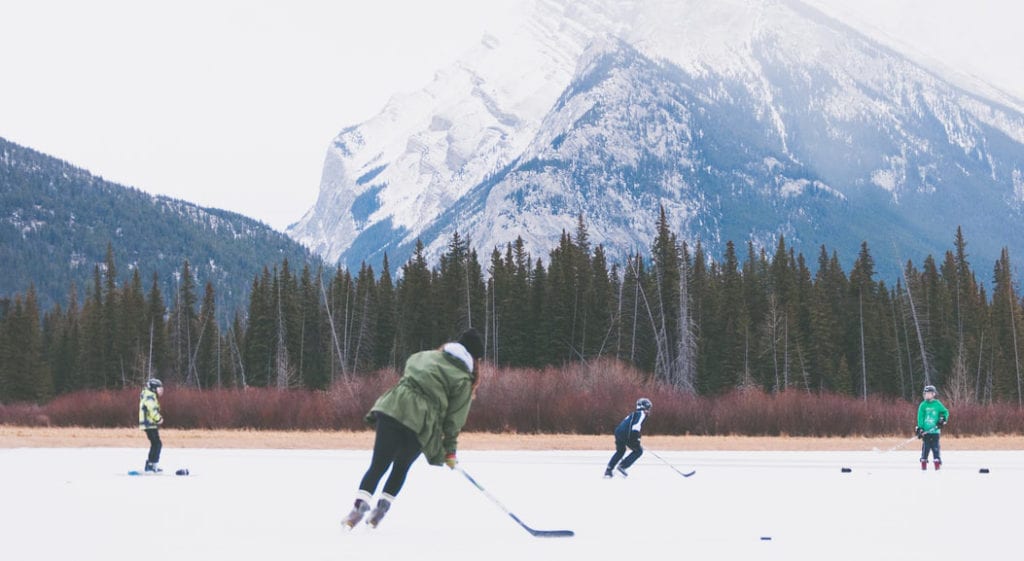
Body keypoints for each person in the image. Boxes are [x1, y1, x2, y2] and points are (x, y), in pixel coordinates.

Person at [342, 328, 486, 529]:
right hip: (422, 423)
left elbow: (410, 366)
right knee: (401, 466)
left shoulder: (425, 356)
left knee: (378, 465)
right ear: (474, 359)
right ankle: (380, 510)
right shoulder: (463, 380)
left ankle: (357, 510)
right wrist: (450, 452)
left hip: (394, 409)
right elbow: (454, 421)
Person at [604, 397, 652, 478]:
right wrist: (635, 440)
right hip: (626, 434)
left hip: (618, 432)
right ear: (644, 407)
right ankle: (622, 466)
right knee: (639, 451)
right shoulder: (641, 414)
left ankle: (608, 470)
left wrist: (637, 438)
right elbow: (636, 427)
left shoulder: (634, 414)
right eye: (648, 408)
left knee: (620, 451)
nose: (649, 411)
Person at [915, 384, 950, 470]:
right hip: (926, 432)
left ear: (933, 394)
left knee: (936, 449)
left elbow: (945, 412)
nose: (926, 395)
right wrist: (920, 428)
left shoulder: (937, 404)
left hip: (935, 432)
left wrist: (942, 419)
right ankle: (923, 467)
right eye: (925, 393)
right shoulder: (923, 405)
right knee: (925, 449)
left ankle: (937, 466)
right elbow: (920, 417)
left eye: (928, 393)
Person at [139, 378, 164, 473]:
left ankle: (151, 464)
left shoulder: (150, 395)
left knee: (155, 444)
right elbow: (152, 410)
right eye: (158, 388)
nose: (160, 391)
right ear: (153, 388)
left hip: (150, 424)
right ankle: (151, 465)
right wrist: (158, 418)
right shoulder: (149, 397)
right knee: (157, 444)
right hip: (149, 424)